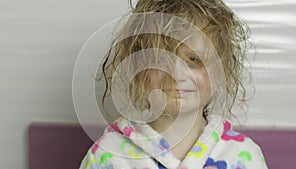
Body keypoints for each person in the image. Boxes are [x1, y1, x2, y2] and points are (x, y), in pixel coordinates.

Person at [80, 0, 268, 168]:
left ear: (221, 70)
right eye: (160, 60)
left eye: (194, 59)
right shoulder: (107, 156)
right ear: (137, 69)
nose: (177, 75)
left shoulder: (244, 156)